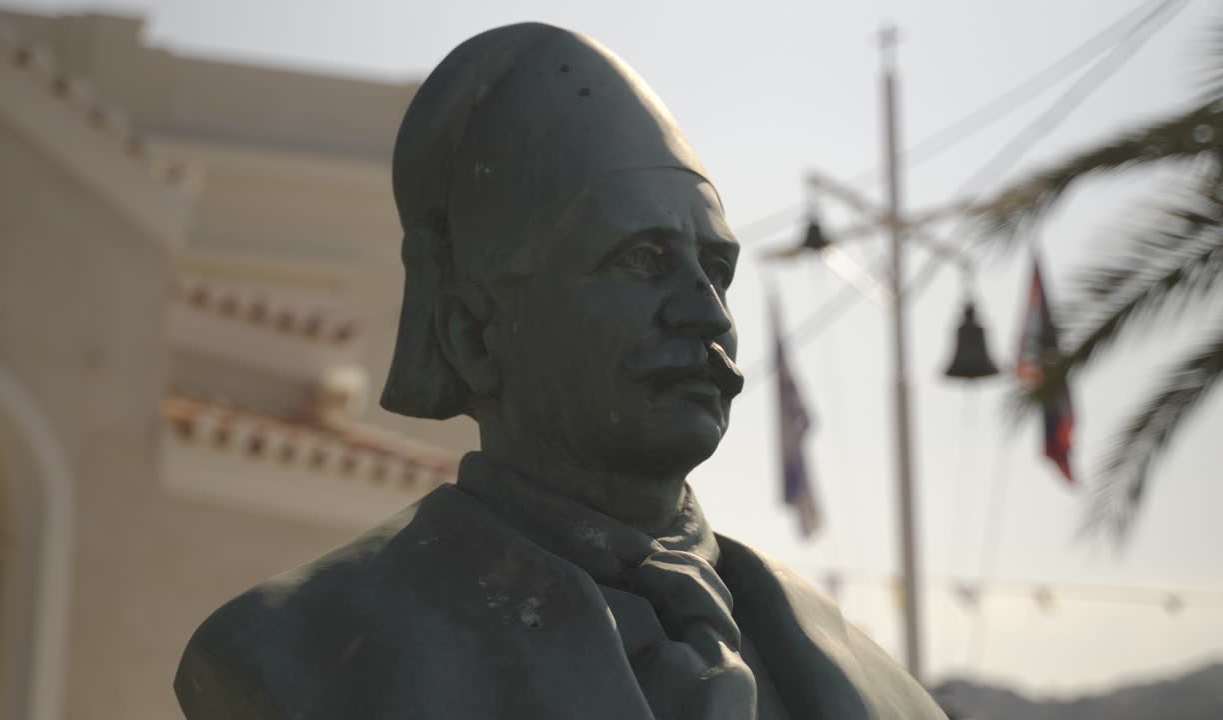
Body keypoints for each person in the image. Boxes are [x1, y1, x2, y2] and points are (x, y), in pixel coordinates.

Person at [174, 22, 946, 720]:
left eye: (716, 269)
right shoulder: (297, 658)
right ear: (473, 338)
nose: (707, 314)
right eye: (641, 259)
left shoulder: (872, 683)